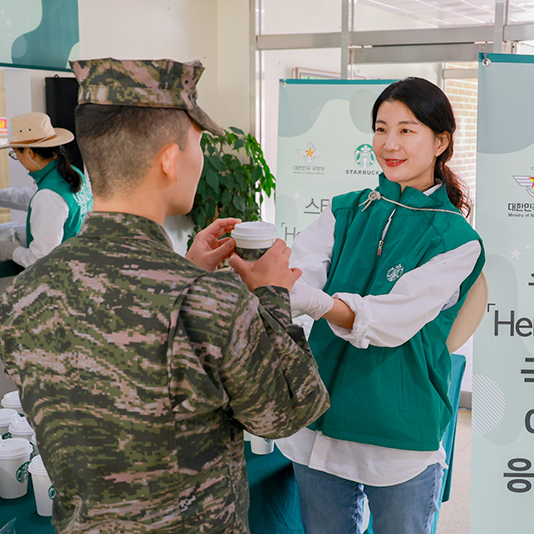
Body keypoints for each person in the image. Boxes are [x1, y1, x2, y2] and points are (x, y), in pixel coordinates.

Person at [0, 58, 329, 533]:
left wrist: (187, 271)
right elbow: (288, 412)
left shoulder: (24, 295)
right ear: (170, 159)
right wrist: (272, 296)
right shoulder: (211, 303)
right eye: (199, 144)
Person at [277, 77, 485, 534]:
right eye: (380, 128)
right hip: (319, 418)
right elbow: (298, 272)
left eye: (407, 130)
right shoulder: (345, 210)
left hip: (397, 430)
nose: (389, 144)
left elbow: (391, 320)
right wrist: (271, 279)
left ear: (441, 142)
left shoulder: (456, 240)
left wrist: (312, 301)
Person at [0, 112, 93, 268]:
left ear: (29, 152)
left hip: (62, 272)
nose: (18, 159)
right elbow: (34, 198)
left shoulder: (48, 195)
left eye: (15, 153)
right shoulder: (73, 174)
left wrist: (10, 250)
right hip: (81, 261)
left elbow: (39, 260)